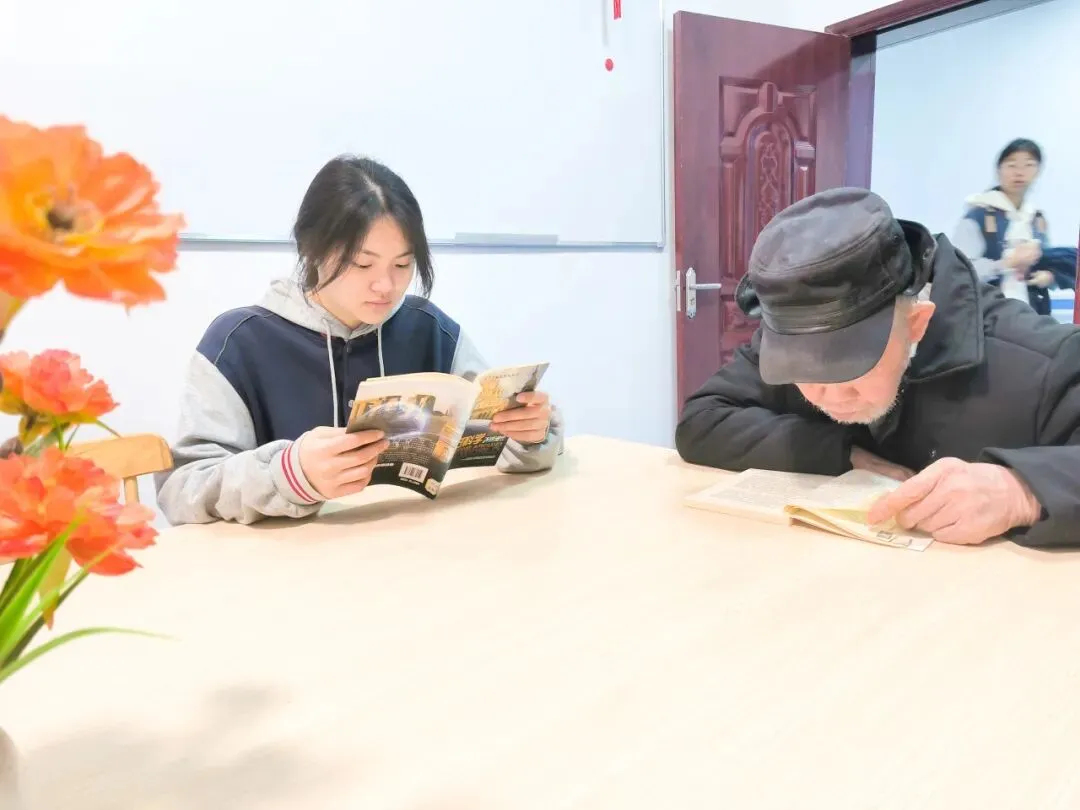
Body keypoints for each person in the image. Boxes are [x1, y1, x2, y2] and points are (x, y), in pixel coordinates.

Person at [156, 156, 564, 525]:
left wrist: (531, 434)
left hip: (417, 553)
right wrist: (290, 474)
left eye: (402, 265)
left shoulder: (429, 329)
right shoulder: (238, 343)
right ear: (312, 250)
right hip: (285, 571)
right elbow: (183, 489)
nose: (386, 285)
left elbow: (498, 443)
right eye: (362, 263)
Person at [676, 187, 1080, 549]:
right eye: (802, 370)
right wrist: (840, 452)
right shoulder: (794, 329)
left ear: (916, 322)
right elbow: (702, 419)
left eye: (850, 367)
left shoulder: (1040, 360)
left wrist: (1021, 491)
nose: (828, 395)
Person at [952, 138, 1076, 316]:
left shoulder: (1036, 219)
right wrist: (1006, 264)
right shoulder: (977, 215)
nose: (1019, 172)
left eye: (1029, 165)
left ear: (1038, 171)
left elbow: (1046, 262)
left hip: (1032, 314)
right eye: (1011, 165)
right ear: (999, 170)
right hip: (989, 316)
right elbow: (959, 269)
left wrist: (1049, 277)